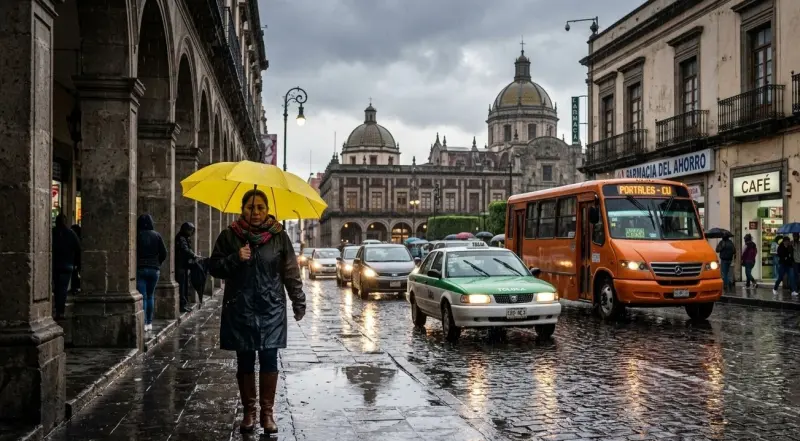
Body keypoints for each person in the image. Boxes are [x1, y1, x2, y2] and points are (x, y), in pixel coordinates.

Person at [209, 189, 305, 435]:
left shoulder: (279, 236)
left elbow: (290, 271)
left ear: (267, 209)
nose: (256, 212)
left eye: (261, 207)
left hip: (270, 307)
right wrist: (235, 258)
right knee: (245, 359)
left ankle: (267, 413)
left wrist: (298, 300)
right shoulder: (230, 236)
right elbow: (215, 267)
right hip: (240, 307)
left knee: (269, 359)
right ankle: (249, 412)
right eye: (251, 208)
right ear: (242, 209)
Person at [136, 214, 167, 331]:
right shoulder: (157, 235)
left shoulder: (137, 235)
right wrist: (157, 263)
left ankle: (143, 323)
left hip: (140, 269)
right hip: (154, 270)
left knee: (142, 296)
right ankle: (149, 322)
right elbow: (164, 253)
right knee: (150, 296)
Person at [52, 214, 81, 319]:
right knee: (63, 288)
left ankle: (58, 309)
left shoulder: (53, 233)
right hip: (67, 265)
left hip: (55, 265)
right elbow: (78, 248)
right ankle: (60, 311)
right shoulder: (71, 233)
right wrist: (77, 264)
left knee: (57, 288)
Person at [175, 222, 198, 313]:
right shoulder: (181, 238)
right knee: (182, 285)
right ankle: (182, 304)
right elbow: (185, 249)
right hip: (180, 265)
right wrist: (193, 255)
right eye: (190, 230)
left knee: (184, 285)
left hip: (184, 265)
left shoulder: (185, 238)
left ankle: (184, 303)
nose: (191, 232)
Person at [70, 224, 82, 295]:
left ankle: (74, 288)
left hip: (75, 261)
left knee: (75, 274)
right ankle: (75, 288)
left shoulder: (76, 239)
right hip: (76, 261)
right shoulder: (78, 239)